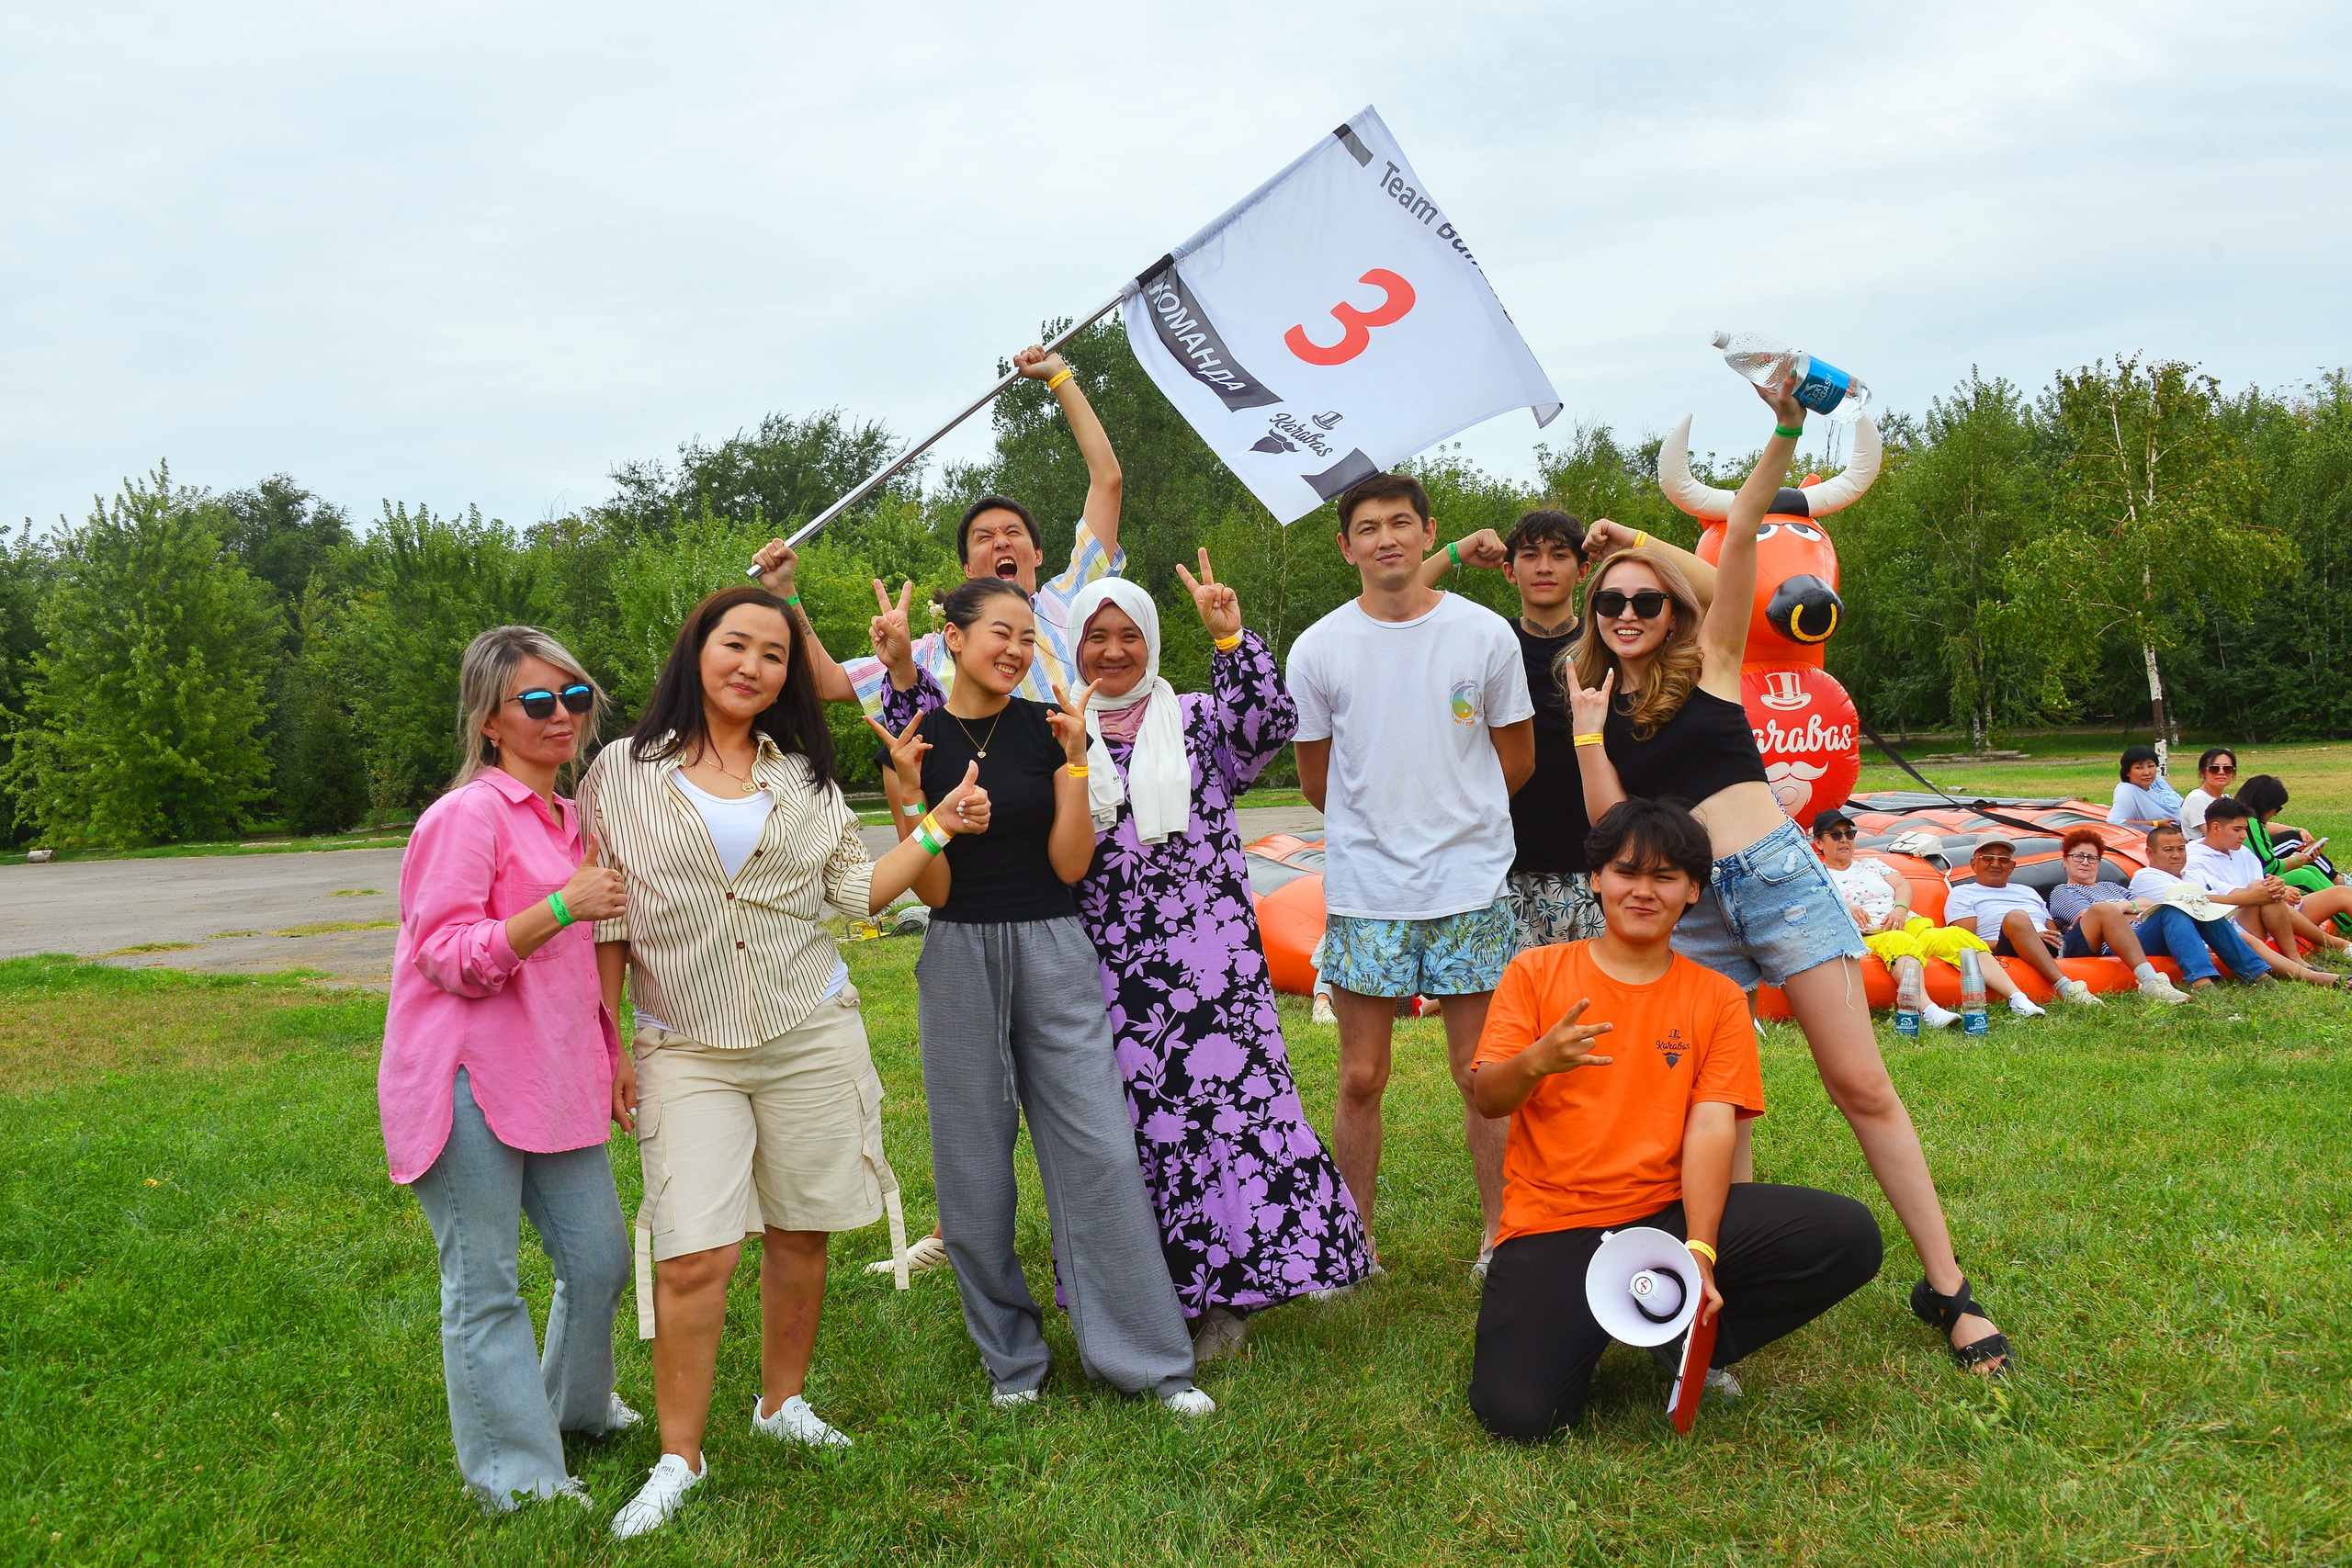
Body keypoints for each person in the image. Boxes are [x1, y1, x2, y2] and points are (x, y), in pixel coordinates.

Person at [1566, 378, 2009, 1377]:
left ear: (1672, 604)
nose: (1629, 610)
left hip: (1774, 877)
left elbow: (1748, 539)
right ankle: (1722, 1310)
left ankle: (1948, 1290)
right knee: (1716, 1108)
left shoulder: (1715, 658)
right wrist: (1589, 729)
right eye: (1612, 602)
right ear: (1596, 616)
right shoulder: (1595, 698)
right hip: (1685, 909)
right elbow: (1608, 830)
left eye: (1645, 598)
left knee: (1859, 1082)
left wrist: (1777, 431)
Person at [882, 557, 1375, 1362]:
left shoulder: (1199, 717)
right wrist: (904, 667)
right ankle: (1150, 1292)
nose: (1113, 651)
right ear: (1073, 648)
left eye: (1129, 636)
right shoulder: (1053, 729)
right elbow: (933, 745)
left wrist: (1230, 637)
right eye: (1097, 637)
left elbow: (1268, 725)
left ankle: (1232, 1296)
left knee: (1225, 1116)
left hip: (1212, 959)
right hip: (1104, 958)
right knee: (1135, 1131)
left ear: (1149, 641)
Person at [581, 584, 996, 1540]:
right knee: (696, 1252)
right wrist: (609, 1039)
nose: (753, 666)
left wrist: (933, 824)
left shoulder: (805, 775)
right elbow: (606, 912)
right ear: (698, 650)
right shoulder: (619, 772)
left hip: (809, 1028)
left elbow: (858, 896)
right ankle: (678, 1455)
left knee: (805, 1227)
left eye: (773, 655)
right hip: (685, 1042)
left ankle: (782, 1404)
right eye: (736, 645)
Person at [875, 577, 1214, 1416]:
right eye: (1001, 631)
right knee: (973, 1158)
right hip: (959, 952)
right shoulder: (919, 738)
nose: (1018, 649)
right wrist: (918, 803)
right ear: (951, 638)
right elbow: (940, 892)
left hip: (1056, 943)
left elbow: (1071, 864)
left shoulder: (1051, 725)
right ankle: (1013, 1361)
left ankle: (1147, 1358)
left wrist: (1071, 762)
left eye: (1028, 635)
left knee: (1099, 1146)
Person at [1464, 798, 1883, 1439]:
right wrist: (1536, 1060)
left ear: (1692, 889)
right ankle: (1605, 1320)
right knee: (1520, 1415)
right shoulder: (1536, 971)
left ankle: (1688, 1338)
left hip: (1666, 1212)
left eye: (1665, 877)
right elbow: (1489, 1097)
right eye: (1627, 871)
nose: (1643, 889)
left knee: (1848, 1234)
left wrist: (1701, 1250)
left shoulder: (1714, 997)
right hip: (1555, 1222)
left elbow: (1712, 1127)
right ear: (1596, 878)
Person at [379, 626, 635, 1514]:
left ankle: (570, 1412)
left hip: (553, 1077)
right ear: (490, 719)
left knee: (600, 1262)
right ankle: (515, 1475)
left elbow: (576, 971)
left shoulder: (572, 820)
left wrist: (611, 1056)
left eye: (573, 696)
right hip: (466, 1079)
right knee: (484, 1282)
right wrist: (559, 905)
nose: (561, 715)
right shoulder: (467, 816)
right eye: (536, 701)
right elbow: (445, 953)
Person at [1287, 471, 1537, 1280]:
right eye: (1368, 527)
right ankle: (1351, 1242)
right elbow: (1317, 783)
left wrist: (1453, 823)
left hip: (1468, 884)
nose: (1386, 538)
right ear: (1346, 546)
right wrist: (1383, 832)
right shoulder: (1319, 647)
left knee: (1482, 1075)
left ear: (1430, 533)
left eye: (1401, 522)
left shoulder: (1484, 634)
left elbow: (1518, 760)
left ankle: (1503, 1234)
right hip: (1368, 891)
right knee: (1361, 1074)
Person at [785, 344, 1125, 722]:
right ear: (967, 568)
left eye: (1013, 532)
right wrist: (786, 590)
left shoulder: (1070, 603)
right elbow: (826, 681)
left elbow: (1107, 481)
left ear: (1038, 554)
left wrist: (1059, 377)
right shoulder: (932, 650)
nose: (1000, 541)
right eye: (984, 537)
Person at [1426, 509, 1605, 950]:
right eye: (1530, 555)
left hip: (1597, 861)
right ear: (1509, 570)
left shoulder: (1608, 642)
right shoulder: (1488, 642)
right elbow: (1397, 596)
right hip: (1504, 860)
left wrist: (1632, 544)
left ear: (1583, 570)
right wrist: (1456, 551)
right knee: (1512, 1008)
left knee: (1599, 1008)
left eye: (1559, 555)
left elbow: (1710, 596)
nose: (1544, 567)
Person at [1809, 807, 2041, 1025]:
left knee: (1957, 936)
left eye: (1849, 833)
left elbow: (1902, 885)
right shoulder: (1815, 875)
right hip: (1870, 933)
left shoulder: (1872, 864)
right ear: (1819, 842)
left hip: (1908, 923)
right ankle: (1929, 1010)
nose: (1844, 840)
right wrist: (1843, 907)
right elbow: (1811, 907)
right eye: (1835, 835)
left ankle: (2017, 998)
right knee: (1900, 941)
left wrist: (1900, 907)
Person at [2182, 797, 2352, 989]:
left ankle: (2336, 946)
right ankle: (2314, 952)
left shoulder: (2242, 853)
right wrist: (2264, 892)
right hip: (2236, 921)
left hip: (2273, 913)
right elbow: (2202, 901)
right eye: (2237, 830)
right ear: (2215, 827)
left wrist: (2280, 888)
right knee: (2266, 893)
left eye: (2245, 829)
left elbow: (2261, 885)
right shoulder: (2193, 858)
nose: (2243, 836)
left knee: (2341, 893)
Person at [2127, 821, 2283, 991]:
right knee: (2179, 907)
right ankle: (2202, 982)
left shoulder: (2194, 874)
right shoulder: (2146, 876)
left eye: (2181, 849)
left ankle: (2260, 974)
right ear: (2150, 853)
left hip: (2200, 931)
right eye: (2168, 850)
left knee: (2207, 909)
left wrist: (2269, 889)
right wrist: (2253, 897)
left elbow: (2234, 892)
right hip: (2148, 937)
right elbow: (2187, 902)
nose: (2177, 855)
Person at [2042, 829, 2194, 1002]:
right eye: (2078, 856)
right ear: (2065, 861)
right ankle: (2150, 981)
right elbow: (2092, 917)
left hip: (2138, 936)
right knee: (2103, 910)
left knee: (2170, 909)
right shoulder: (2063, 891)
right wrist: (2131, 913)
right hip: (2101, 946)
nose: (2086, 862)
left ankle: (2206, 975)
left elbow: (2150, 905)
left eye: (2092, 858)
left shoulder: (2111, 887)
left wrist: (2124, 906)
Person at [2236, 773, 2352, 942]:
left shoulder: (2251, 822)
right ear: (2265, 803)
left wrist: (2302, 859)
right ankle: (2347, 919)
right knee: (2303, 875)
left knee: (2309, 869)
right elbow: (2269, 868)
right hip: (2253, 886)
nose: (2276, 813)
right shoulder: (2250, 824)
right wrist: (2298, 859)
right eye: (2277, 807)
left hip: (2253, 883)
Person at [2107, 745, 2184, 827]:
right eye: (2139, 768)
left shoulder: (2158, 782)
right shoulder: (2128, 791)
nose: (2146, 773)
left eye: (2151, 766)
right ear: (2127, 772)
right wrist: (2155, 824)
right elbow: (2114, 822)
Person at [2176, 747, 2237, 836]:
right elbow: (2213, 836)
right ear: (2202, 773)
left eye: (2227, 768)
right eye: (2214, 769)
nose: (2221, 772)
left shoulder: (2227, 798)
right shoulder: (2197, 799)